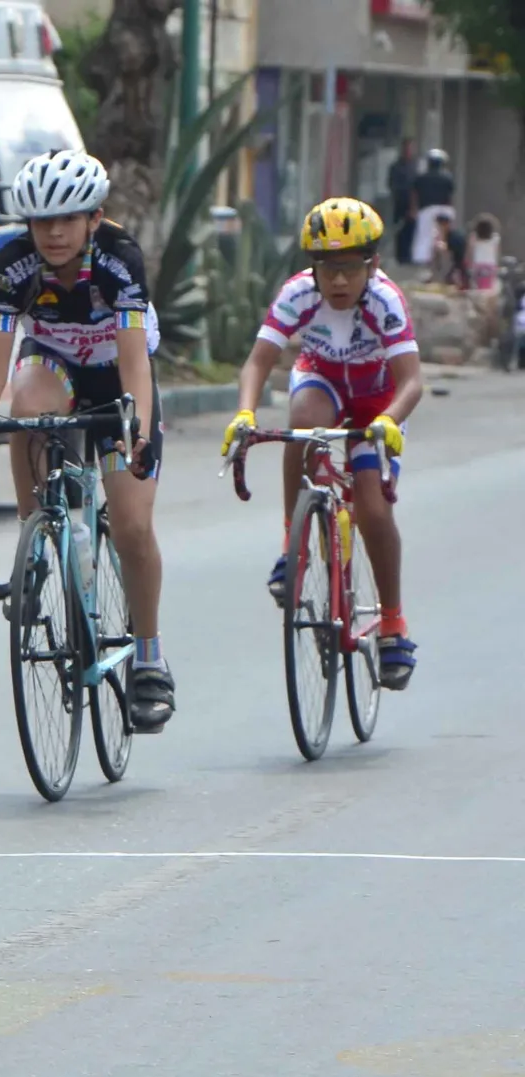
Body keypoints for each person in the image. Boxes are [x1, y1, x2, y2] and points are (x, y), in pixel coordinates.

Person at [0, 149, 174, 732]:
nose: (52, 233)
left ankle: (148, 656)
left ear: (94, 218)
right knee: (27, 408)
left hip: (117, 377)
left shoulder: (118, 260)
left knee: (130, 525)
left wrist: (139, 433)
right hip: (54, 366)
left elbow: (133, 363)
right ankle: (37, 535)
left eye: (67, 219)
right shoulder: (15, 265)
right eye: (41, 222)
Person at [226, 197, 419, 690]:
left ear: (371, 266)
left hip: (377, 399)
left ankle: (393, 622)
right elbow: (257, 362)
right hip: (322, 382)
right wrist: (245, 412)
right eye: (327, 268)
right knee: (303, 424)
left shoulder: (385, 301)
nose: (337, 281)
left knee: (374, 512)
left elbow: (412, 381)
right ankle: (296, 547)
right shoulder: (297, 294)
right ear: (312, 267)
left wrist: (391, 421)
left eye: (349, 269)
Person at [410, 148, 455, 269]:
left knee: (424, 236)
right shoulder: (448, 177)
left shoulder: (421, 178)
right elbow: (450, 196)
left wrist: (413, 209)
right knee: (444, 237)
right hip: (445, 210)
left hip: (427, 210)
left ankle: (423, 261)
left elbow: (415, 195)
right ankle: (447, 258)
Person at [387, 139, 418, 266]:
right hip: (399, 202)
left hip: (412, 204)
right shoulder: (396, 166)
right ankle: (400, 256)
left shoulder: (415, 166)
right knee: (399, 230)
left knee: (411, 230)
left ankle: (408, 256)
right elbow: (390, 183)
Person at [428, 210, 468, 290]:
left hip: (459, 267)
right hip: (456, 266)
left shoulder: (453, 236)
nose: (438, 228)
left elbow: (450, 255)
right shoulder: (449, 235)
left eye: (439, 225)